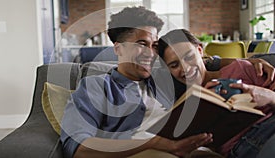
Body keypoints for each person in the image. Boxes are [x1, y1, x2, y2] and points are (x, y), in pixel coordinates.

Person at [60, 7, 213, 158]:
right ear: (119, 49)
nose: (151, 53)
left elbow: (207, 63)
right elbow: (78, 147)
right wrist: (152, 143)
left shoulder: (166, 78)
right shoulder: (96, 86)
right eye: (142, 44)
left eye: (154, 46)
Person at [158, 29, 275, 157]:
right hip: (247, 144)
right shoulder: (182, 104)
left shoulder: (241, 68)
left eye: (189, 57)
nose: (185, 68)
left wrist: (267, 96)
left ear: (200, 51)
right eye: (174, 65)